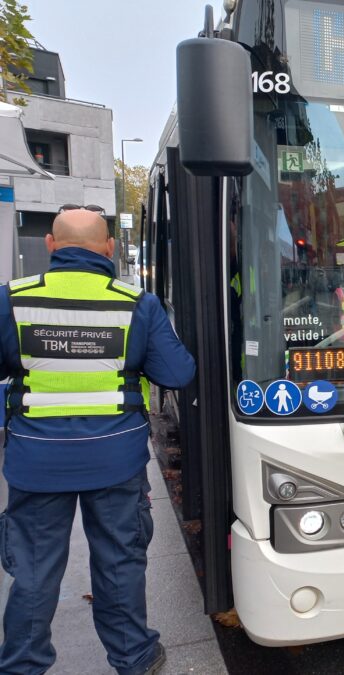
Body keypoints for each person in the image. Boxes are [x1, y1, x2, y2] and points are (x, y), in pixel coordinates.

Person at [0, 206, 196, 674]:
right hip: (115, 461)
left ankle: (23, 665)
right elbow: (177, 372)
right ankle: (134, 656)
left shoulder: (13, 300)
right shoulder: (136, 303)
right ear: (109, 248)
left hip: (36, 461)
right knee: (118, 563)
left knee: (32, 569)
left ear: (51, 245)